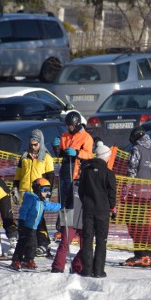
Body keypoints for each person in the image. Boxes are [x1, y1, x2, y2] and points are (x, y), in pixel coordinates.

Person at [49, 112, 93, 269]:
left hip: (76, 173)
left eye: (70, 126)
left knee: (74, 203)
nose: (68, 128)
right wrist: (56, 147)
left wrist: (77, 153)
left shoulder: (86, 137)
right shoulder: (65, 135)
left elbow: (89, 154)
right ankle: (63, 227)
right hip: (64, 172)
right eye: (67, 126)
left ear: (77, 124)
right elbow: (60, 153)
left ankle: (75, 228)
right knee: (63, 202)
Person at [122, 127, 151, 267]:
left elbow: (132, 170)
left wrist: (125, 190)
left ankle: (140, 255)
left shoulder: (137, 150)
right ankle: (148, 253)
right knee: (143, 225)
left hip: (135, 194)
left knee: (133, 225)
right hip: (146, 196)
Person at [12, 129, 55, 256]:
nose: (33, 146)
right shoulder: (24, 156)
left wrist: (47, 193)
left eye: (35, 144)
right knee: (26, 220)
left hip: (38, 193)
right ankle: (30, 245)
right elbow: (18, 175)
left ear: (40, 143)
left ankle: (43, 243)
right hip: (25, 193)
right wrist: (15, 188)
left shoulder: (46, 157)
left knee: (39, 219)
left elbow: (50, 177)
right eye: (31, 144)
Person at [78, 141, 117, 278]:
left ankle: (87, 270)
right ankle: (99, 271)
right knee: (101, 241)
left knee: (87, 240)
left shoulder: (86, 171)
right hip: (103, 211)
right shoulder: (108, 173)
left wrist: (86, 202)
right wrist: (112, 207)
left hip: (88, 209)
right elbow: (112, 194)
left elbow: (81, 190)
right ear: (106, 157)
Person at [10, 178, 61, 271]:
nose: (47, 193)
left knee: (33, 244)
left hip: (33, 227)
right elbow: (23, 210)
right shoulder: (31, 198)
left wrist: (62, 206)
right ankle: (16, 260)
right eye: (45, 190)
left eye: (48, 190)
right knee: (22, 243)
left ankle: (28, 260)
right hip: (25, 225)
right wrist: (21, 221)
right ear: (38, 189)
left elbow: (51, 206)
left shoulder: (42, 202)